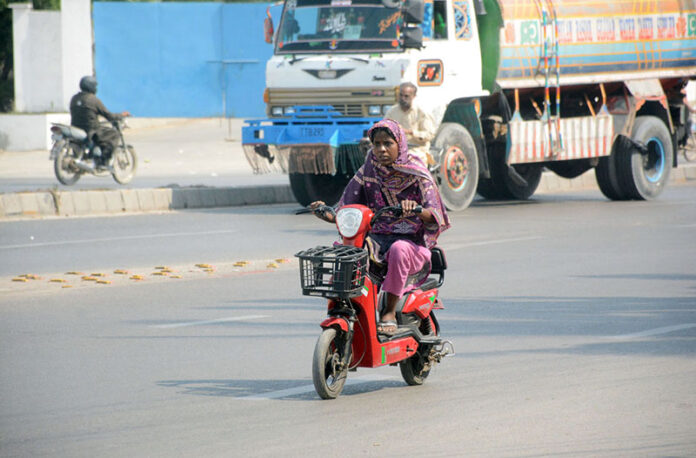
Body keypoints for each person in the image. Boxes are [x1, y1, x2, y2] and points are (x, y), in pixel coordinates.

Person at [310, 119, 450, 335]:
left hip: (412, 245)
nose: (382, 149)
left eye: (388, 143)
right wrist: (324, 212)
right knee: (347, 251)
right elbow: (345, 208)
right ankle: (344, 308)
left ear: (400, 144)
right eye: (377, 144)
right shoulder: (368, 170)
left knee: (398, 249)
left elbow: (435, 216)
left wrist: (416, 209)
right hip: (376, 241)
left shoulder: (417, 173)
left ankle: (389, 311)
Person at [70, 76, 129, 168]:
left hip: (75, 128)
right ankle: (103, 161)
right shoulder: (93, 100)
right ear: (91, 86)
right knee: (114, 134)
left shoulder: (74, 98)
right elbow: (109, 115)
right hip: (91, 130)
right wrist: (121, 115)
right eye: (95, 86)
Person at [384, 82, 436, 166]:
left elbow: (429, 134)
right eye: (400, 95)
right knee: (372, 156)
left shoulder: (422, 112)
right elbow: (383, 128)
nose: (402, 98)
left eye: (406, 96)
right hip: (395, 149)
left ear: (414, 96)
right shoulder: (392, 111)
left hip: (416, 149)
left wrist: (409, 132)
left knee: (412, 163)